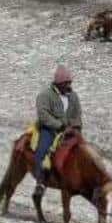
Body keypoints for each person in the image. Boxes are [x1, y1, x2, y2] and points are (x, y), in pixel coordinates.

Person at [33, 65, 83, 199]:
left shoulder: (73, 96)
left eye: (69, 83)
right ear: (58, 83)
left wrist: (76, 127)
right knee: (41, 152)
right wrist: (60, 126)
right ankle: (40, 182)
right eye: (66, 83)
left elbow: (77, 114)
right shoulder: (45, 95)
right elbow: (43, 115)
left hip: (69, 131)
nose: (68, 86)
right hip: (50, 130)